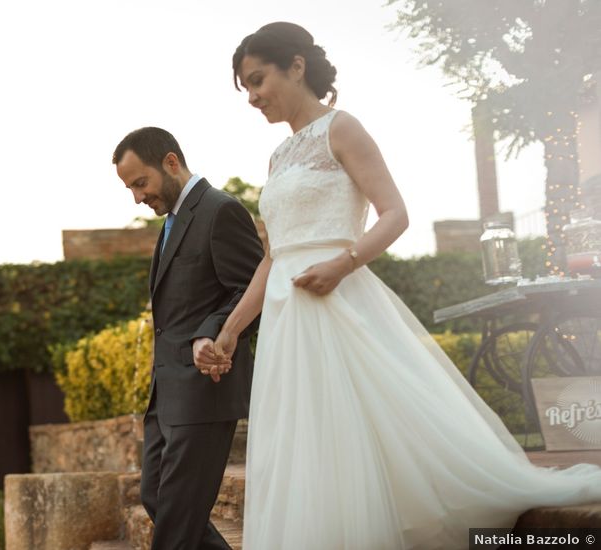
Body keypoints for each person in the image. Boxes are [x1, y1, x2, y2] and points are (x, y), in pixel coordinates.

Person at [210, 21, 601, 550]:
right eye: (247, 88)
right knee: (305, 443)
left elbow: (395, 214)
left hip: (336, 300)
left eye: (258, 80)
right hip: (285, 318)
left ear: (296, 66)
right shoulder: (278, 158)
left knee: (360, 430)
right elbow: (273, 255)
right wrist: (232, 330)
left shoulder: (341, 129)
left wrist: (342, 265)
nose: (253, 97)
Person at [113, 127, 264, 549]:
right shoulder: (173, 221)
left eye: (140, 183)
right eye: (130, 188)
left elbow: (253, 289)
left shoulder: (220, 211)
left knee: (177, 518)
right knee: (157, 497)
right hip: (167, 394)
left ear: (171, 163)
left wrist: (210, 333)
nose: (138, 197)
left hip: (205, 389)